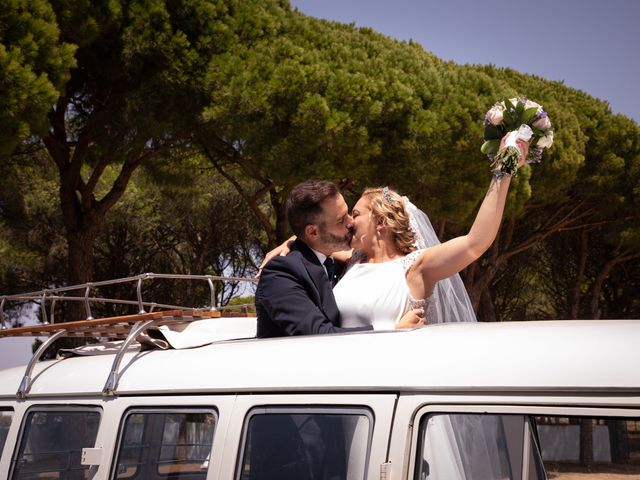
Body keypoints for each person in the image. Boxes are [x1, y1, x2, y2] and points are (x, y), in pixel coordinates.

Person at [262, 136, 529, 328]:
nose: (350, 223)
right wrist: (292, 240)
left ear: (381, 223)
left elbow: (475, 242)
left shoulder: (417, 268)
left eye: (354, 215)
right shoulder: (352, 260)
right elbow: (318, 242)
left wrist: (503, 171)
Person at [255, 179, 423, 338]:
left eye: (349, 213)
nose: (351, 223)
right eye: (341, 220)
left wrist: (290, 240)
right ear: (313, 232)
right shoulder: (280, 274)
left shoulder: (337, 263)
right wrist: (394, 330)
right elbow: (318, 335)